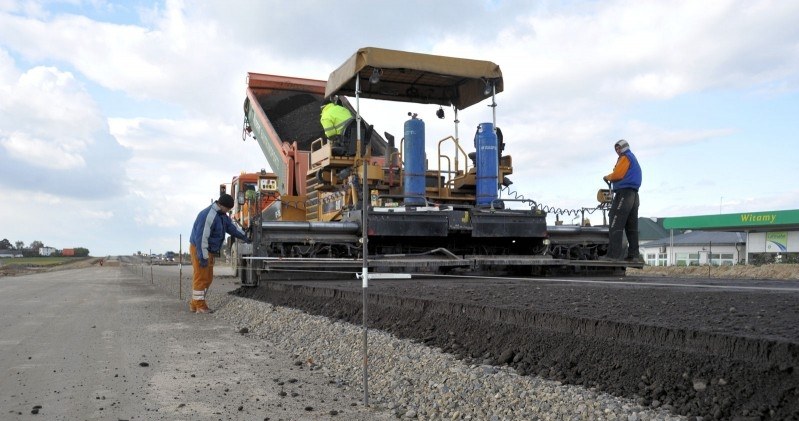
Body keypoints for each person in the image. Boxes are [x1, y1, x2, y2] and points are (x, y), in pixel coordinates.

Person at [189, 193, 250, 313]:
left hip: (208, 250)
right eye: (227, 209)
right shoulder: (208, 215)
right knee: (201, 277)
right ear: (221, 205)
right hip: (200, 249)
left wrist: (245, 237)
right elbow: (201, 238)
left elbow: (231, 228)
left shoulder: (221, 215)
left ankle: (194, 304)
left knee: (207, 278)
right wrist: (203, 256)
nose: (228, 211)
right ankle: (200, 306)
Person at [602, 139, 642, 261]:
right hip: (634, 195)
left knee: (615, 221)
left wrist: (607, 177)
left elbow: (618, 174)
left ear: (625, 147)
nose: (617, 150)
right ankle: (634, 255)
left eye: (619, 148)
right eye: (616, 148)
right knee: (631, 226)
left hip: (624, 194)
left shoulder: (625, 157)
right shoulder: (633, 158)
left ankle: (613, 255)